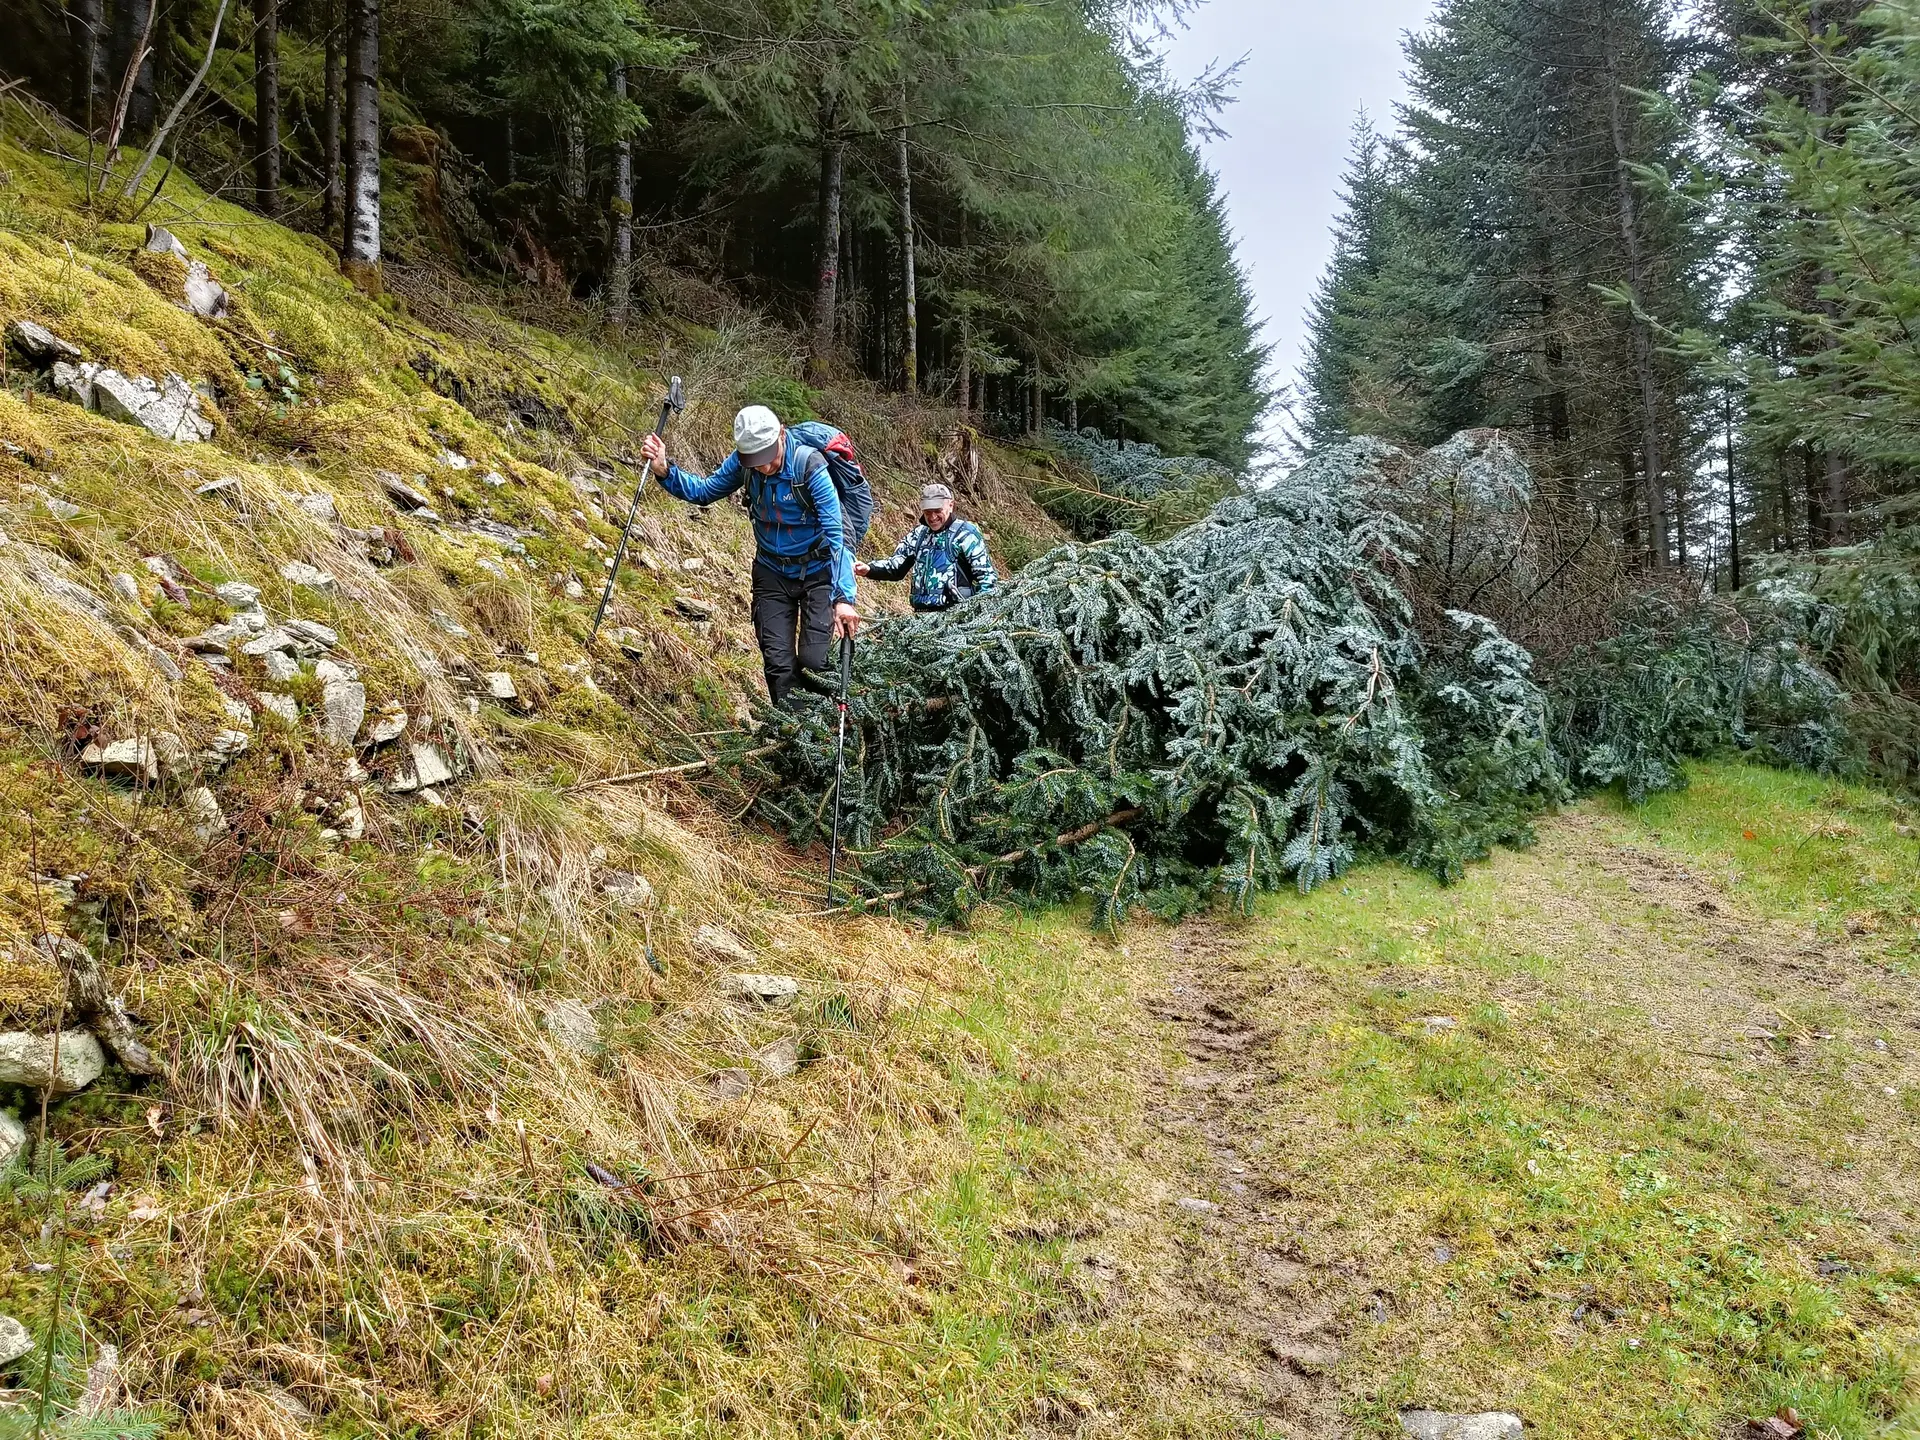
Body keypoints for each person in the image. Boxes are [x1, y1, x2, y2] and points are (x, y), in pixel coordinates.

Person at [640, 405, 860, 708]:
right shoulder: (744, 464)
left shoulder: (809, 465)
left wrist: (844, 597)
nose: (764, 467)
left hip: (819, 571)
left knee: (814, 662)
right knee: (778, 664)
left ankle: (825, 731)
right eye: (755, 461)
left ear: (781, 434)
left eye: (767, 457)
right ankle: (793, 735)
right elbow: (705, 492)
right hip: (771, 572)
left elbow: (837, 536)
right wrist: (665, 470)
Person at [856, 483, 998, 613]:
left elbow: (986, 578)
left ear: (951, 505)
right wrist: (869, 569)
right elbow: (896, 566)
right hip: (921, 616)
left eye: (937, 510)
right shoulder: (918, 535)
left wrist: (979, 615)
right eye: (927, 512)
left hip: (955, 615)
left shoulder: (966, 533)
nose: (932, 517)